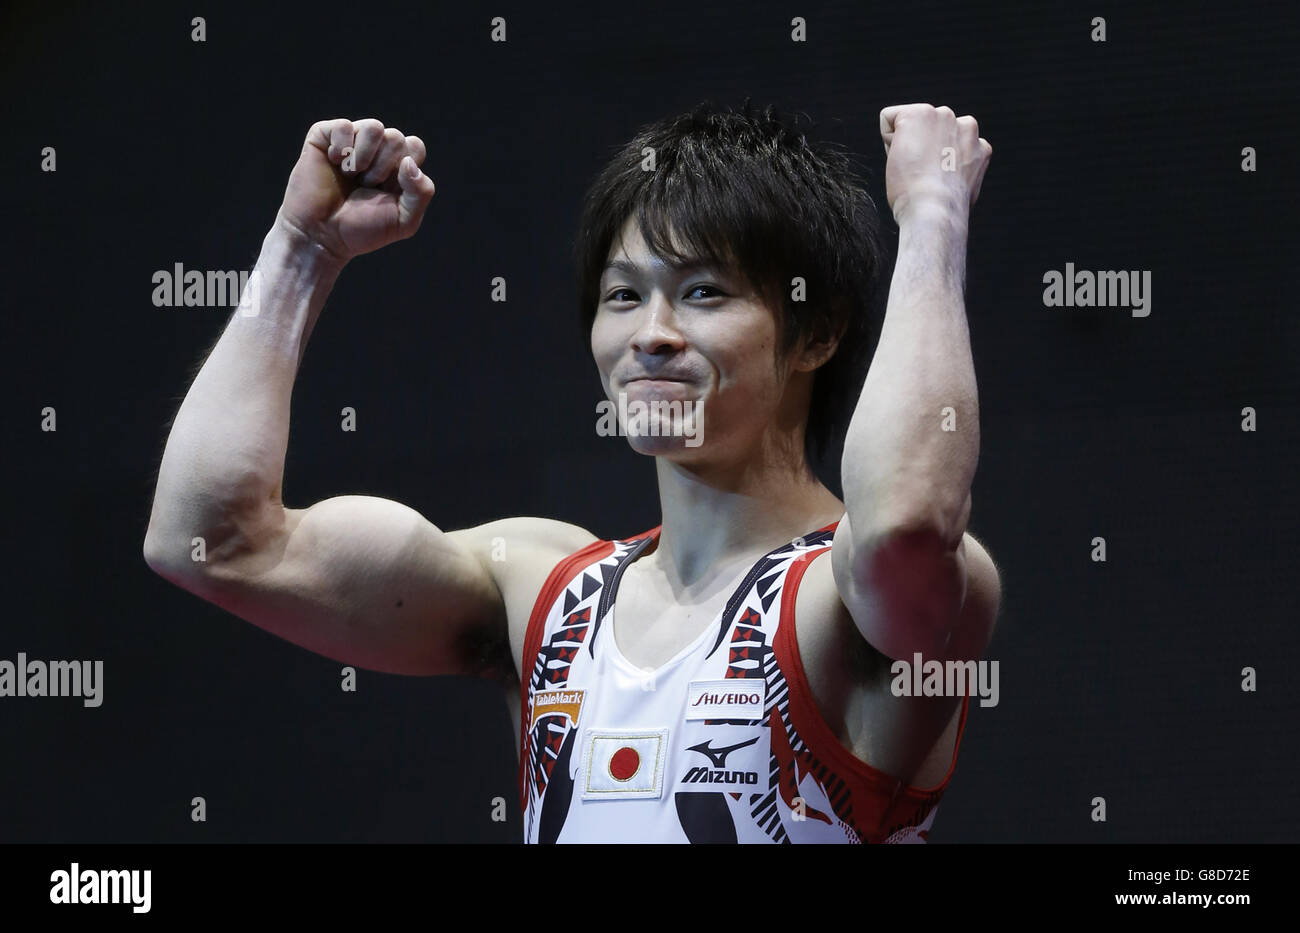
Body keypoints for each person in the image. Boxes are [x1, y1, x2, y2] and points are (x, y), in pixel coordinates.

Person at [144, 100, 1000, 843]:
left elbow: (907, 525)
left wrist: (931, 216)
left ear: (817, 333)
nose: (650, 334)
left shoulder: (846, 599)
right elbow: (211, 542)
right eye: (624, 296)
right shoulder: (540, 593)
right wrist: (301, 252)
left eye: (703, 292)